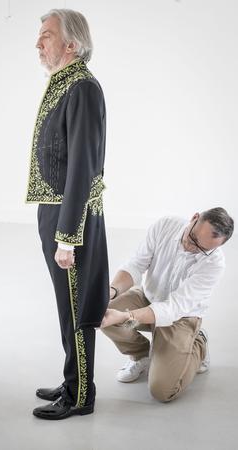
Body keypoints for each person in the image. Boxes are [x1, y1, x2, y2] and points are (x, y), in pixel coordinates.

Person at [26, 9, 109, 420]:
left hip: (70, 217)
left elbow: (82, 166)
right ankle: (72, 378)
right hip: (56, 210)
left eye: (46, 35)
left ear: (71, 43)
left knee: (77, 309)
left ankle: (80, 397)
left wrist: (67, 235)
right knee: (66, 305)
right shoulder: (65, 84)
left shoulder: (83, 89)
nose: (38, 44)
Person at [101, 208, 234, 402]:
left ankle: (198, 344)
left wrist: (125, 317)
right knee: (102, 312)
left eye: (202, 249)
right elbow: (136, 265)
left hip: (181, 316)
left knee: (163, 391)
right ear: (194, 218)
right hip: (147, 296)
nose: (192, 247)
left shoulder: (214, 264)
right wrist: (111, 291)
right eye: (193, 237)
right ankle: (141, 355)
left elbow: (173, 307)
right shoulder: (166, 225)